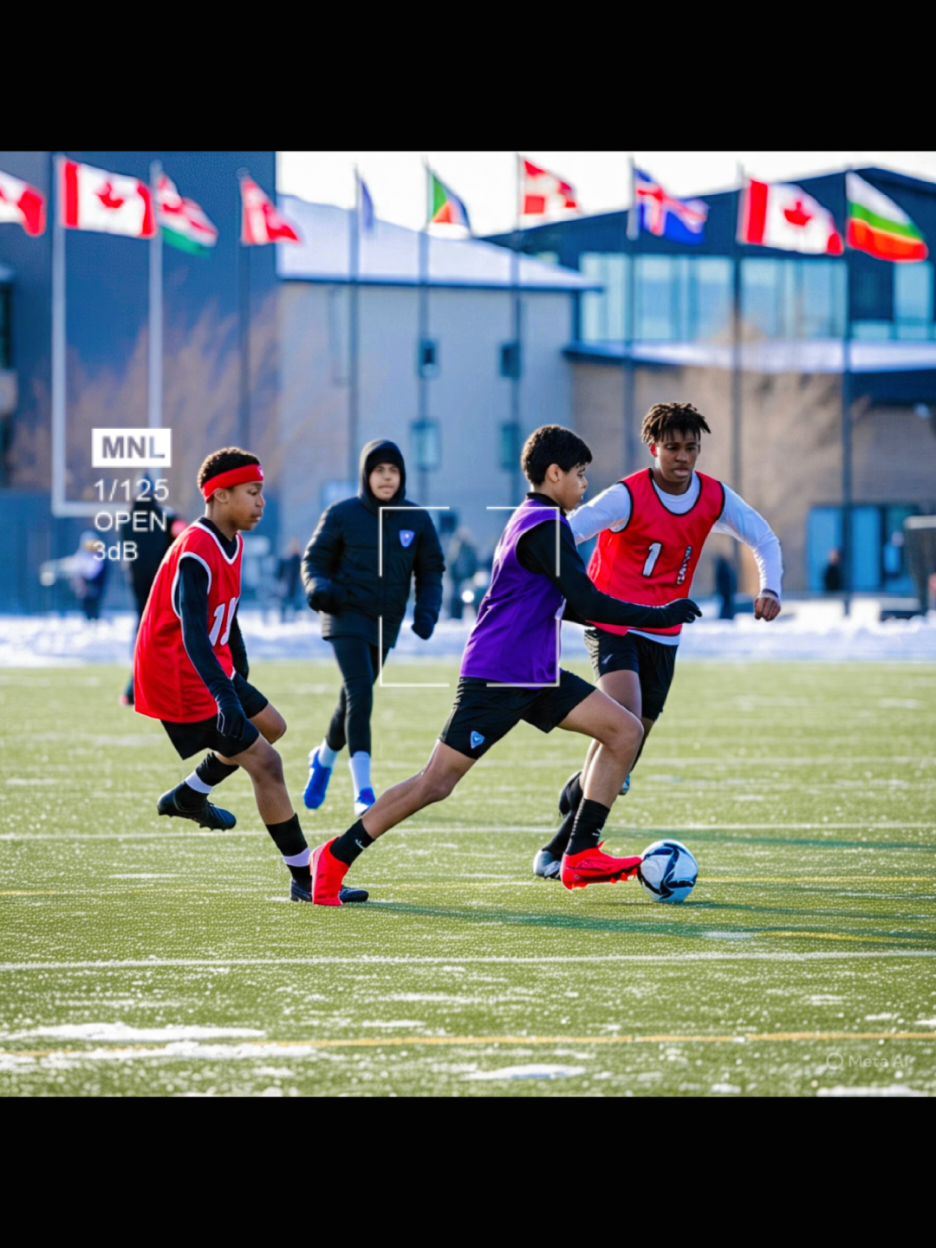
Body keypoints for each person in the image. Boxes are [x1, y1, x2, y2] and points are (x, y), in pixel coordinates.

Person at [304, 425, 701, 905]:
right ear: (553, 474)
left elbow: (567, 603)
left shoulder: (536, 519)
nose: (584, 485)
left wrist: (636, 618)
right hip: (498, 675)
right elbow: (589, 602)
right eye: (580, 474)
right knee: (435, 783)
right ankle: (332, 858)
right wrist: (657, 614)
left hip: (533, 672)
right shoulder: (545, 526)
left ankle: (580, 852)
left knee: (623, 731)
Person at [533, 401, 783, 880]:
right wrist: (542, 583)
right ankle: (570, 852)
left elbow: (763, 538)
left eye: (691, 448)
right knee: (621, 724)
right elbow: (570, 529)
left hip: (665, 635)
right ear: (654, 449)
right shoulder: (626, 495)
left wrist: (770, 587)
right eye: (672, 447)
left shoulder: (714, 496)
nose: (683, 457)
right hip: (613, 623)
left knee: (628, 747)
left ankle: (569, 818)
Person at [132, 446, 366, 905]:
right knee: (266, 764)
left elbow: (227, 614)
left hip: (208, 666)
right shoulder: (195, 549)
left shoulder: (231, 540)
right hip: (181, 674)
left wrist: (239, 668)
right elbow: (193, 634)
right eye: (252, 493)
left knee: (273, 728)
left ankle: (190, 794)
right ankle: (306, 880)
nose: (261, 503)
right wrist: (226, 695)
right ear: (219, 496)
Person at [301, 439, 445, 816]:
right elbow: (314, 560)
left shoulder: (417, 519)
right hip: (343, 613)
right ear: (366, 475)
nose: (386, 477)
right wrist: (319, 588)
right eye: (378, 470)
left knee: (349, 701)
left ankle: (323, 758)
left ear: (402, 476)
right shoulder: (342, 513)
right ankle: (363, 789)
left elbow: (431, 570)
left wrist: (427, 611)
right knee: (360, 691)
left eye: (392, 470)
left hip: (385, 622)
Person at [118, 492, 176, 706]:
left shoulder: (126, 520)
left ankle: (135, 688)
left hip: (139, 586)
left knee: (144, 629)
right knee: (163, 633)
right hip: (162, 585)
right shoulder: (165, 518)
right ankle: (141, 687)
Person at [71, 532, 109, 621]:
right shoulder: (81, 556)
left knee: (95, 608)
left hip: (96, 586)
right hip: (84, 589)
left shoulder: (101, 557)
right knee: (86, 609)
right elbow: (76, 570)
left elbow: (100, 573)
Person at [447, 526, 479, 620]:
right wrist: (453, 578)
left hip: (468, 579)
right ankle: (455, 617)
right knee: (455, 599)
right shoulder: (454, 550)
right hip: (457, 580)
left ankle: (477, 617)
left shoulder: (470, 550)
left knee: (475, 598)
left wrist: (472, 576)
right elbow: (451, 564)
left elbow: (474, 563)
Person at [276, 538, 303, 622]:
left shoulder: (297, 559)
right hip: (286, 584)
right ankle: (284, 617)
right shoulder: (286, 559)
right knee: (284, 602)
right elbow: (279, 572)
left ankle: (293, 617)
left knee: (294, 601)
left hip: (294, 584)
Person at [714, 554, 737, 620]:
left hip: (726, 591)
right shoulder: (725, 569)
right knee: (726, 603)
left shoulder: (722, 569)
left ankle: (726, 616)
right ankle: (726, 616)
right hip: (726, 591)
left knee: (726, 603)